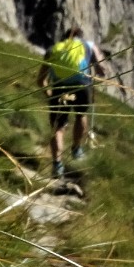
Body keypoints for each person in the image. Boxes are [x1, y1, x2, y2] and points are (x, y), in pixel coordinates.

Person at [37, 26, 108, 179]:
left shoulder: (53, 49)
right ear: (80, 36)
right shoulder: (88, 46)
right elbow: (102, 70)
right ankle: (76, 149)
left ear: (64, 38)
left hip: (59, 87)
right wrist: (97, 67)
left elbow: (40, 80)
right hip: (82, 84)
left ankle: (57, 166)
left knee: (58, 127)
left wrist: (49, 95)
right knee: (81, 115)